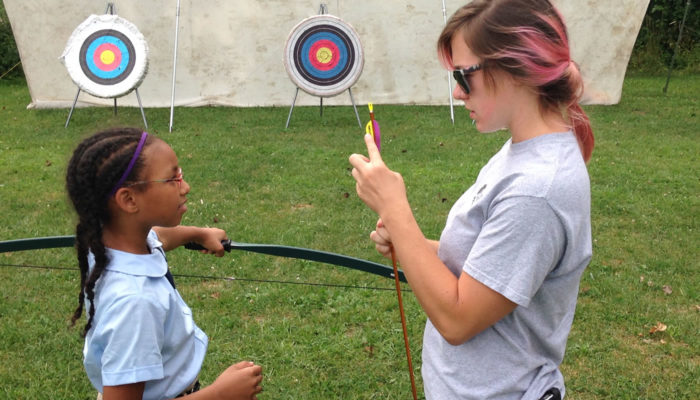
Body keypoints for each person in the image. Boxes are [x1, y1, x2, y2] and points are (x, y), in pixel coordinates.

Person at [349, 0, 594, 398]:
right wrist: (410, 243)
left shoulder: (537, 190)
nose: (459, 93)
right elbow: (489, 263)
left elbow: (459, 320)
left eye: (465, 75)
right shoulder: (524, 151)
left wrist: (396, 210)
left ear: (515, 69)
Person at [66, 127, 263, 400]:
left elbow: (158, 237)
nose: (186, 187)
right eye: (173, 179)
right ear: (129, 199)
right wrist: (219, 394)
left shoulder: (109, 242)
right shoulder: (136, 304)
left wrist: (197, 233)